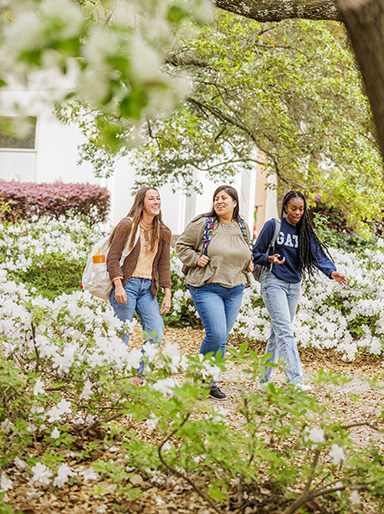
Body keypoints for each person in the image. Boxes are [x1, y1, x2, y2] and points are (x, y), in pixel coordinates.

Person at [252, 190, 347, 391]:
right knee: (285, 331)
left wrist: (332, 272)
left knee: (278, 332)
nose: (297, 212)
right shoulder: (273, 226)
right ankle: (295, 381)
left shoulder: (305, 231)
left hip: (293, 285)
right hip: (273, 282)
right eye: (293, 208)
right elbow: (255, 253)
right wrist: (269, 258)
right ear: (286, 207)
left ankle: (263, 380)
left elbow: (318, 256)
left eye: (301, 209)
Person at [176, 185, 254, 400]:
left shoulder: (242, 226)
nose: (219, 201)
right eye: (216, 198)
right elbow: (182, 245)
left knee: (222, 339)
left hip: (235, 288)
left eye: (224, 198)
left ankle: (210, 383)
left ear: (235, 203)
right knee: (217, 333)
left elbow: (247, 249)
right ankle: (201, 378)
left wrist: (249, 263)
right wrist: (194, 259)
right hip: (207, 285)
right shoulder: (204, 223)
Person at [107, 187, 172, 378]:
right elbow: (112, 258)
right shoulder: (128, 226)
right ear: (141, 203)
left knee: (156, 332)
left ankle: (139, 376)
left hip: (147, 289)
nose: (156, 202)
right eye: (151, 198)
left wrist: (167, 292)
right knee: (122, 334)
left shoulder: (163, 232)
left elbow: (164, 265)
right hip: (127, 284)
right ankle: (113, 378)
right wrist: (118, 285)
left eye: (158, 198)